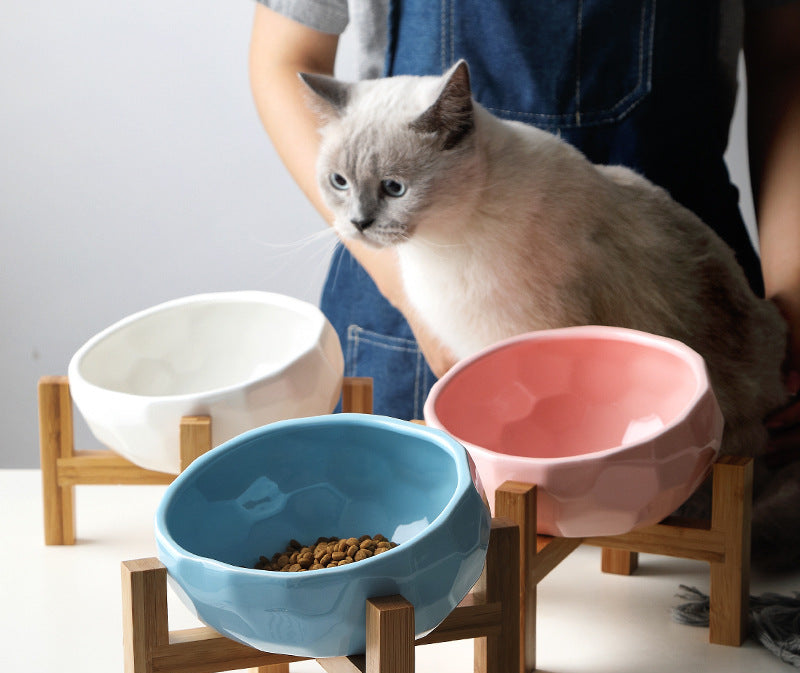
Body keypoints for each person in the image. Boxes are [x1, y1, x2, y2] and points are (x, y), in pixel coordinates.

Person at [248, 1, 800, 456]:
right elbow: (286, 58)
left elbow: (786, 61)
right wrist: (419, 302)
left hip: (678, 300)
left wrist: (795, 302)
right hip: (411, 302)